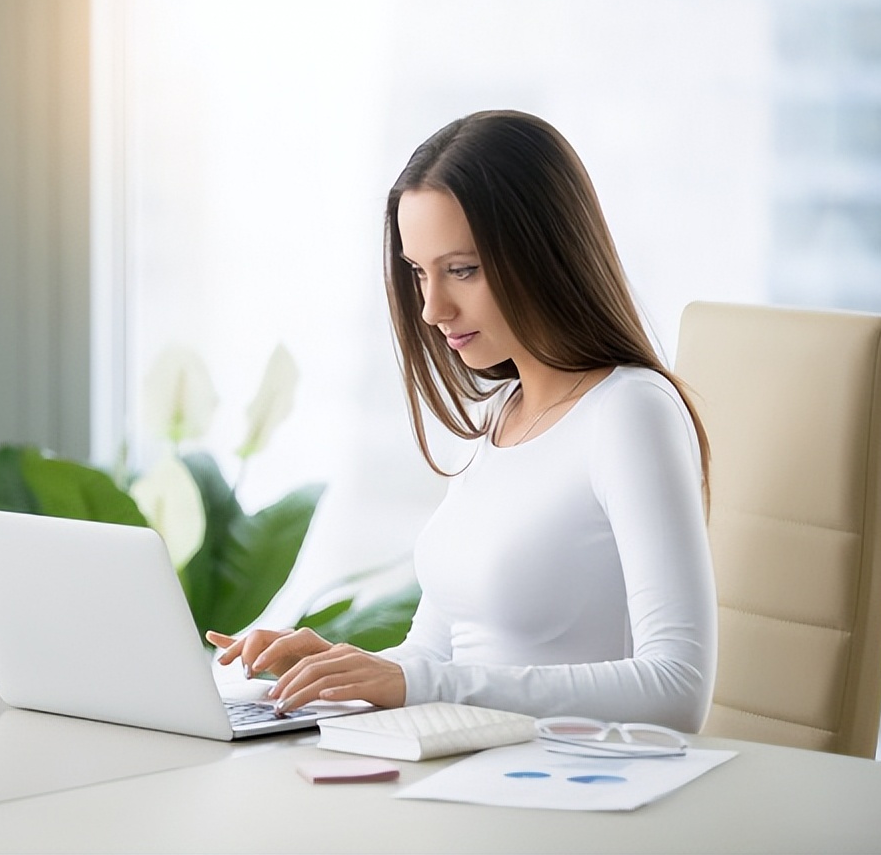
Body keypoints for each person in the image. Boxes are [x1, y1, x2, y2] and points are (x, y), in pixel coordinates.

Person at [207, 110, 717, 733]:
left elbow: (676, 690)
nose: (430, 308)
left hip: (563, 788)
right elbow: (435, 656)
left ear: (546, 250)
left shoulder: (630, 412)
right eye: (419, 271)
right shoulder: (499, 418)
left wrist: (416, 681)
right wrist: (344, 671)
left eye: (462, 269)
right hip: (469, 762)